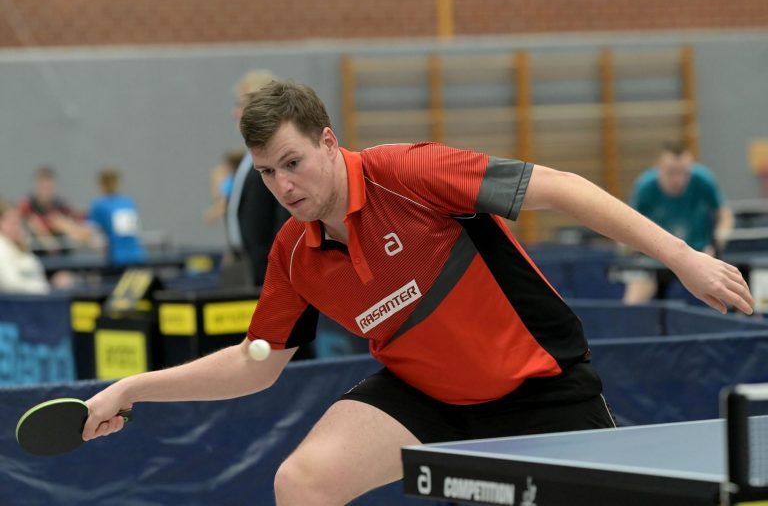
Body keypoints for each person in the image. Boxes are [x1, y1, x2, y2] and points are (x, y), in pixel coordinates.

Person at [84, 81, 754, 505]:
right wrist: (132, 388)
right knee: (303, 481)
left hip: (539, 388)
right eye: (266, 173)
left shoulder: (406, 175)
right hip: (427, 397)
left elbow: (559, 187)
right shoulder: (294, 253)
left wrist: (682, 257)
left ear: (328, 142)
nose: (283, 186)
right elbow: (254, 363)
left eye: (292, 163)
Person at [623, 141, 734, 304]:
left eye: (684, 173)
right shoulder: (644, 187)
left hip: (698, 256)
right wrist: (633, 250)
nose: (678, 180)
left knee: (732, 295)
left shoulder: (704, 180)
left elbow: (725, 215)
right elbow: (628, 225)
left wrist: (717, 244)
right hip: (656, 257)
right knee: (634, 296)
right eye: (671, 172)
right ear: (658, 167)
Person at [224, 70, 291, 288]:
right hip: (250, 266)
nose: (235, 113)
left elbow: (283, 218)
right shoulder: (247, 159)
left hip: (269, 270)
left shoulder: (273, 159)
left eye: (240, 105)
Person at [17, 166, 88, 254]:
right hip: (36, 254)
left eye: (48, 185)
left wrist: (64, 225)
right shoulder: (27, 206)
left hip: (63, 255)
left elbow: (83, 234)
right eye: (42, 185)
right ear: (37, 185)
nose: (45, 189)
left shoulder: (62, 207)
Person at [87, 168, 147, 267]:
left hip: (116, 259)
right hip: (138, 256)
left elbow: (89, 231)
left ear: (101, 184)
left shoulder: (99, 205)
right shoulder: (128, 202)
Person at [0, 197, 51, 294]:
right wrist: (40, 287)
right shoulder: (1, 246)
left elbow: (37, 270)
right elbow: (11, 283)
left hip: (34, 297)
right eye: (11, 222)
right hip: (14, 300)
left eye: (17, 222)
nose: (15, 227)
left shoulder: (20, 244)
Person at [205, 149, 244, 225]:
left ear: (231, 166)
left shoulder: (230, 183)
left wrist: (213, 214)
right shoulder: (238, 180)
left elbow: (224, 205)